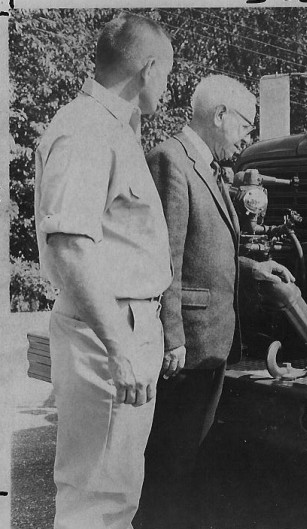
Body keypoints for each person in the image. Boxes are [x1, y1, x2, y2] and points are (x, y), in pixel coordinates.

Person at [134, 74, 294, 529]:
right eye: (246, 124)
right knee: (169, 468)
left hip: (211, 345)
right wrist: (171, 338)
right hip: (188, 348)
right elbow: (165, 258)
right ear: (219, 115)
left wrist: (252, 268)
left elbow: (210, 250)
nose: (248, 136)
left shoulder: (203, 166)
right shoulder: (171, 161)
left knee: (191, 464)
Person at [34, 14, 174, 529]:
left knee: (113, 495)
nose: (167, 85)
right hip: (107, 334)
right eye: (166, 73)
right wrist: (120, 349)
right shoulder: (89, 127)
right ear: (148, 68)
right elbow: (71, 246)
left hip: (117, 329)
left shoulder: (112, 127)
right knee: (96, 502)